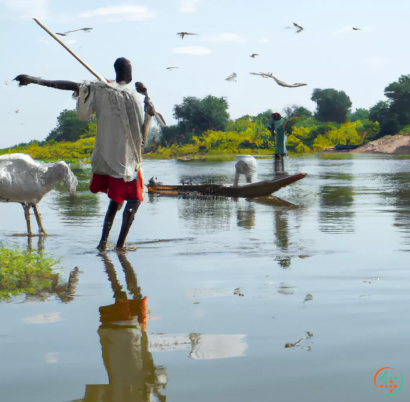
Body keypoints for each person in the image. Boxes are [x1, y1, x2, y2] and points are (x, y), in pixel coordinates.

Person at [14, 58, 146, 250]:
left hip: (120, 158)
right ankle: (119, 246)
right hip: (127, 160)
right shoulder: (106, 90)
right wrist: (34, 79)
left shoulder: (111, 91)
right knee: (134, 200)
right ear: (129, 73)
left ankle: (103, 243)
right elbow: (71, 85)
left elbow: (72, 85)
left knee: (115, 200)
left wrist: (35, 79)